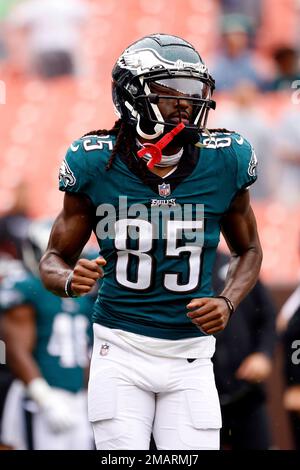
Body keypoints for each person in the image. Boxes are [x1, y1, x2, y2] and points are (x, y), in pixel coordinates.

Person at [40, 33, 262, 450]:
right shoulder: (93, 162)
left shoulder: (225, 158)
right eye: (171, 91)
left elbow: (248, 249)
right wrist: (70, 279)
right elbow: (53, 258)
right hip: (119, 349)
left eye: (193, 90)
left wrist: (228, 300)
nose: (187, 102)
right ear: (132, 97)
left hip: (191, 354)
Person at [0, 220, 94, 450]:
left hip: (78, 396)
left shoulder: (85, 292)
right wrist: (44, 398)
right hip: (40, 396)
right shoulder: (26, 289)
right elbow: (15, 350)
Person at [212, 250, 276, 449]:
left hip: (245, 391)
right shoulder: (176, 267)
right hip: (197, 392)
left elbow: (268, 316)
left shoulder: (236, 263)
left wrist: (263, 354)